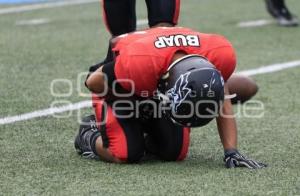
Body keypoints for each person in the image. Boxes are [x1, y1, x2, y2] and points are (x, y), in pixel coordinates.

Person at [75, 26, 267, 169]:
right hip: (119, 85)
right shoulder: (139, 63)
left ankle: (142, 130)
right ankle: (89, 133)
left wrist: (231, 151)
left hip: (157, 81)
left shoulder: (218, 54)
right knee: (125, 153)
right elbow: (93, 82)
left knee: (174, 152)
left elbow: (223, 96)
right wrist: (140, 101)